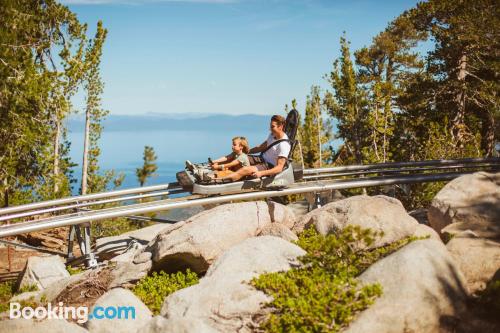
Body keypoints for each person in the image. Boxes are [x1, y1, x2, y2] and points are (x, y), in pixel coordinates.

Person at [220, 115, 291, 182]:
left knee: (245, 169)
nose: (270, 129)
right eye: (270, 126)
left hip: (269, 166)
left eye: (272, 127)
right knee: (237, 156)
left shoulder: (284, 145)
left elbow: (279, 168)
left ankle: (219, 180)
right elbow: (260, 147)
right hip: (261, 159)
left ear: (280, 127)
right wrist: (245, 152)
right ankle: (215, 169)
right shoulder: (272, 135)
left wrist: (261, 173)